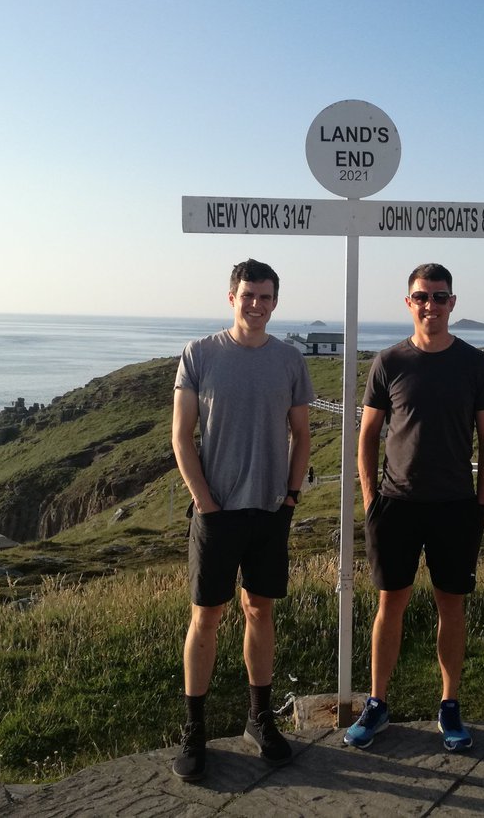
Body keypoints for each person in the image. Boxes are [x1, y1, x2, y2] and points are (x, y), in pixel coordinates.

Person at [344, 263, 484, 752]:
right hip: (396, 506)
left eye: (439, 296)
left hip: (455, 507)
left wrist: (480, 505)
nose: (430, 304)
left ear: (453, 302)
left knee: (450, 606)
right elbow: (367, 437)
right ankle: (377, 703)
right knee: (390, 604)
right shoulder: (389, 362)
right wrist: (371, 499)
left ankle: (450, 705)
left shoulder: (475, 364)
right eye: (421, 296)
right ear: (407, 302)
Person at [170, 259, 314, 782]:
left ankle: (258, 719)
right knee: (206, 617)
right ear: (231, 297)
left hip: (270, 512)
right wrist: (205, 502)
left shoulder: (289, 360)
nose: (257, 305)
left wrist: (291, 498)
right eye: (248, 295)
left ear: (276, 302)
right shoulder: (200, 354)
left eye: (266, 297)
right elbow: (181, 437)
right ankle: (195, 730)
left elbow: (302, 434)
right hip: (216, 512)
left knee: (260, 613)